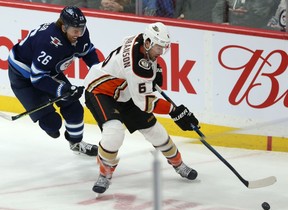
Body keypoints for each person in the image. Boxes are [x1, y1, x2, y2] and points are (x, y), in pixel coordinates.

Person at [84, 22, 200, 194]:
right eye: (158, 48)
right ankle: (104, 174)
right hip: (100, 91)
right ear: (147, 43)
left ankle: (178, 164)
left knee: (156, 132)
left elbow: (127, 45)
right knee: (114, 133)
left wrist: (155, 68)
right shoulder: (137, 68)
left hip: (125, 91)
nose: (161, 52)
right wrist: (173, 110)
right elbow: (144, 104)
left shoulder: (139, 39)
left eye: (163, 47)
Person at [8, 6, 99, 156]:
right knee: (52, 124)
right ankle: (48, 122)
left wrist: (97, 71)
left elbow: (87, 52)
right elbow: (37, 78)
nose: (79, 33)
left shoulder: (80, 34)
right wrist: (63, 90)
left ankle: (76, 143)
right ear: (64, 27)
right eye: (75, 30)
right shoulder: (49, 42)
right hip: (22, 76)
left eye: (81, 29)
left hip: (48, 71)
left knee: (74, 108)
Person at [212, 0, 279, 29]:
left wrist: (231, 26)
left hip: (252, 35)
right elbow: (218, 10)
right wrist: (220, 24)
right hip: (225, 31)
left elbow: (258, 19)